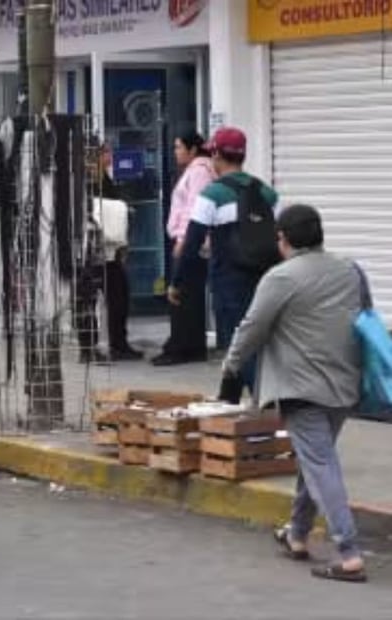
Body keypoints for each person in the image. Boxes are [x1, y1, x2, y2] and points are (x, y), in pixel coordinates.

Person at [222, 204, 366, 583]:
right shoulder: (350, 270)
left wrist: (231, 365)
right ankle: (297, 534)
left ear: (282, 239)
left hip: (302, 389)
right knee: (314, 459)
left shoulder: (280, 278)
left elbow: (252, 327)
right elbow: (364, 316)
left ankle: (349, 553)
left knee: (320, 465)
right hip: (345, 387)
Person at [169, 127, 278, 398]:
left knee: (237, 343)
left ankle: (263, 405)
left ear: (216, 154)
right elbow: (280, 237)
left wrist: (177, 282)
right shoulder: (266, 192)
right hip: (264, 280)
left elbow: (192, 242)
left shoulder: (212, 194)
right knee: (250, 341)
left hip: (228, 281)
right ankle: (227, 402)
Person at [153, 132, 215, 367]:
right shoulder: (197, 169)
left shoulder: (199, 171)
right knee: (190, 294)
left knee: (179, 294)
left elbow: (193, 208)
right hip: (191, 241)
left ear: (192, 150)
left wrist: (182, 240)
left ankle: (181, 347)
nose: (176, 151)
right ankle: (189, 345)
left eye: (179, 147)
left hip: (188, 242)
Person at [83, 140, 141, 361]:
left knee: (117, 294)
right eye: (106, 152)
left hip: (108, 247)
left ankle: (115, 343)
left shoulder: (104, 179)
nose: (110, 156)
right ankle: (94, 346)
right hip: (95, 247)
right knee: (95, 296)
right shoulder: (89, 181)